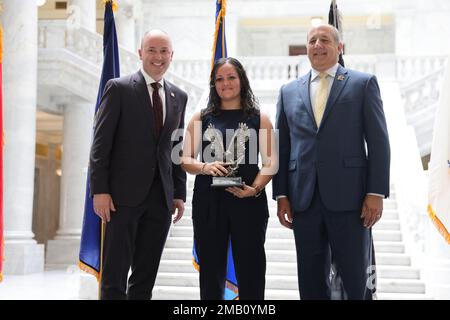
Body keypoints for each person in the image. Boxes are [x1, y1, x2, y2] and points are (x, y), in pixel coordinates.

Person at [273, 24, 390, 300]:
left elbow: (378, 142)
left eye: (324, 39)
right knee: (310, 281)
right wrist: (281, 194)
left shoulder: (363, 83)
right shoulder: (288, 91)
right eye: (312, 40)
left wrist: (375, 192)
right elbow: (282, 146)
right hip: (304, 200)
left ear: (339, 47)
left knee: (354, 278)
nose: (317, 45)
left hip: (351, 200)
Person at [89, 30, 187, 300]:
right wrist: (99, 189)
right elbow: (100, 144)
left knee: (145, 278)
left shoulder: (179, 96)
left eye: (164, 51)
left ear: (171, 55)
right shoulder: (118, 88)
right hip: (121, 198)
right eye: (152, 50)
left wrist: (178, 193)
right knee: (114, 277)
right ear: (141, 53)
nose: (158, 56)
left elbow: (175, 149)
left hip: (161, 199)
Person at [181, 57, 277, 300]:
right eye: (219, 79)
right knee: (211, 271)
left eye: (231, 77)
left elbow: (271, 162)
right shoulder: (200, 118)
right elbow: (185, 160)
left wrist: (254, 189)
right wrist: (205, 166)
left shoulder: (259, 117)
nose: (226, 83)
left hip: (248, 201)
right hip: (209, 203)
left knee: (252, 270)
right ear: (214, 84)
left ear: (242, 80)